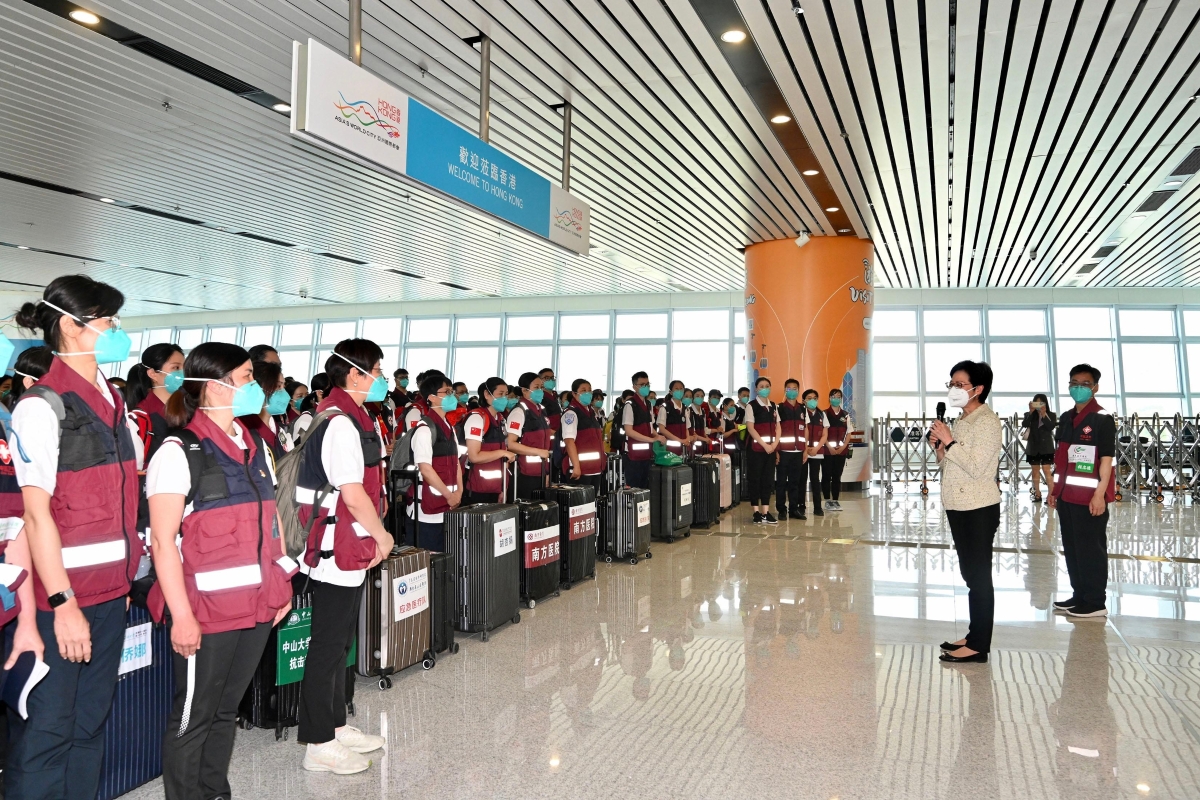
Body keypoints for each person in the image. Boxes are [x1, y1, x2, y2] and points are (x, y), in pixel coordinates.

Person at [7, 275, 141, 799]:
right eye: (108, 321)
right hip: (62, 598)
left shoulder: (112, 400)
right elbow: (36, 516)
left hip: (111, 593)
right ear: (70, 325)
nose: (116, 332)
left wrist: (125, 582)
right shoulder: (42, 406)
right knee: (49, 730)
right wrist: (63, 604)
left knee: (89, 725)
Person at [145, 342, 296, 799]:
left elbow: (271, 524)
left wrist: (280, 584)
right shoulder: (179, 451)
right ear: (214, 385)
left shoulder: (254, 446)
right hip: (205, 612)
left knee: (226, 709)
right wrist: (182, 616)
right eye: (247, 377)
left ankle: (214, 792)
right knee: (194, 716)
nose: (256, 386)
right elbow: (162, 543)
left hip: (255, 604)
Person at [295, 339, 392, 775]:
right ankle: (318, 742)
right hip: (336, 549)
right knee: (327, 645)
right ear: (355, 374)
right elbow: (352, 493)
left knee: (340, 644)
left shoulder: (354, 415)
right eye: (377, 370)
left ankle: (334, 725)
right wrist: (382, 536)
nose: (381, 379)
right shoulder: (338, 422)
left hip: (349, 545)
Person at [929, 360, 1001, 664]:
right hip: (959, 505)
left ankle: (979, 646)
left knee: (979, 577)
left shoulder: (987, 422)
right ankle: (973, 635)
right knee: (970, 575)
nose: (953, 389)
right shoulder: (962, 419)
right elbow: (952, 464)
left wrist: (949, 440)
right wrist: (940, 449)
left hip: (978, 507)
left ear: (978, 389)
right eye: (951, 384)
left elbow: (976, 467)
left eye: (960, 384)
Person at [1049, 364, 1116, 619]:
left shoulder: (1102, 419)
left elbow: (1107, 461)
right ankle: (1079, 595)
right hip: (1067, 496)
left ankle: (1095, 601)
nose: (1079, 388)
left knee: (1091, 550)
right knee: (1073, 548)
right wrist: (1055, 491)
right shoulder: (1066, 418)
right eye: (1074, 383)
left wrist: (1100, 494)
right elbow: (1062, 460)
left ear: (1095, 388)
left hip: (1089, 498)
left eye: (1085, 384)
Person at [408, 374, 463, 550]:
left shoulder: (449, 428)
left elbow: (456, 463)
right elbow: (425, 469)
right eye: (447, 392)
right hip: (426, 511)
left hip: (447, 507)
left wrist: (459, 492)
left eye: (452, 392)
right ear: (431, 397)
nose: (451, 396)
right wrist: (449, 495)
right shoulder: (425, 429)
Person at [127, 343, 186, 462]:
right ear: (153, 374)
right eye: (176, 368)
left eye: (185, 368)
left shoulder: (189, 411)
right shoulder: (139, 420)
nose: (183, 373)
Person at [461, 378, 515, 505]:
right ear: (487, 394)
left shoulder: (501, 420)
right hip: (476, 489)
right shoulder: (477, 418)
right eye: (500, 394)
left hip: (496, 488)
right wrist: (502, 453)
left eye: (506, 394)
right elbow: (474, 456)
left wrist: (503, 487)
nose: (504, 398)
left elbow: (504, 462)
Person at [507, 372, 553, 500]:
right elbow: (510, 443)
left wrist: (546, 472)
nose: (540, 391)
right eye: (536, 387)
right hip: (525, 474)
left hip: (541, 472)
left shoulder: (541, 410)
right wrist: (538, 452)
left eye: (541, 387)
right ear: (524, 390)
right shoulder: (519, 411)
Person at [561, 379, 607, 497]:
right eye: (583, 390)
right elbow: (569, 441)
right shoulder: (571, 413)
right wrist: (576, 467)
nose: (587, 393)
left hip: (595, 469)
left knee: (592, 503)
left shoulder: (591, 413)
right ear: (574, 393)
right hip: (580, 470)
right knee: (580, 504)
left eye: (589, 390)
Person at [239, 358, 291, 458]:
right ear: (258, 388)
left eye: (284, 386)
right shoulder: (245, 428)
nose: (285, 394)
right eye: (278, 386)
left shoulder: (278, 428)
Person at [746, 377, 781, 525]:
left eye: (767, 386)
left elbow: (778, 427)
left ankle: (766, 512)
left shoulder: (773, 406)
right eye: (761, 386)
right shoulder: (751, 406)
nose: (764, 388)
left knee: (767, 480)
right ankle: (756, 512)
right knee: (755, 479)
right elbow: (750, 428)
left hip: (771, 450)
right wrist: (765, 445)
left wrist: (774, 445)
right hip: (756, 450)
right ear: (756, 389)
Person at [774, 379, 807, 520]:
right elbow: (775, 430)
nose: (792, 391)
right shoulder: (779, 408)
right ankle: (781, 509)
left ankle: (794, 509)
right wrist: (776, 450)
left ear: (798, 391)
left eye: (795, 388)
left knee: (795, 482)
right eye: (789, 388)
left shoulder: (803, 409)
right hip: (783, 452)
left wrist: (805, 450)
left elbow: (806, 430)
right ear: (785, 390)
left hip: (798, 452)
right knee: (781, 482)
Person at [622, 373, 660, 490]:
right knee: (634, 489)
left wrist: (658, 436)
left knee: (645, 489)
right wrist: (651, 439)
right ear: (634, 387)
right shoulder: (630, 405)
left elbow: (650, 427)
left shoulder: (648, 404)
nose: (646, 387)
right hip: (633, 456)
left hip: (646, 455)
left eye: (647, 384)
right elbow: (629, 431)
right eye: (642, 385)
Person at [1023, 393, 1057, 502]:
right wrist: (1030, 412)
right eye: (1036, 402)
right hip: (1033, 446)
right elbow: (1024, 424)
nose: (1038, 405)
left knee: (1047, 470)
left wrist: (1044, 414)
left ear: (1045, 403)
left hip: (1046, 446)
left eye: (1040, 403)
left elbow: (1051, 426)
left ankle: (1051, 495)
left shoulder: (1051, 415)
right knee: (1035, 470)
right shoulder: (1029, 414)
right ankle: (1037, 493)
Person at [800, 388, 828, 517]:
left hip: (817, 452)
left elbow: (824, 435)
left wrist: (816, 448)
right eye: (809, 398)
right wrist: (806, 449)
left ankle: (818, 507)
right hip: (803, 452)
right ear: (803, 400)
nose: (813, 401)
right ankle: (801, 506)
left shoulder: (822, 414)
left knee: (815, 479)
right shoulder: (800, 413)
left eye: (815, 398)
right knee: (802, 479)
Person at [821, 388, 851, 510]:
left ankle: (835, 500)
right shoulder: (824, 414)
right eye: (833, 397)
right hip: (828, 451)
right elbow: (823, 433)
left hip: (841, 451)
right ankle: (827, 500)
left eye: (838, 397)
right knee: (826, 475)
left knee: (837, 476)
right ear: (829, 398)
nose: (836, 399)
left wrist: (843, 447)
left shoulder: (846, 415)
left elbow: (849, 433)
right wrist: (829, 447)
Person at [658, 381, 690, 456]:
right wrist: (680, 440)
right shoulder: (665, 407)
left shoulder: (685, 408)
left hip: (683, 449)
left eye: (681, 389)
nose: (679, 391)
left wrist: (687, 439)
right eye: (676, 389)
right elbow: (661, 429)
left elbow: (687, 428)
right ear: (671, 392)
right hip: (669, 450)